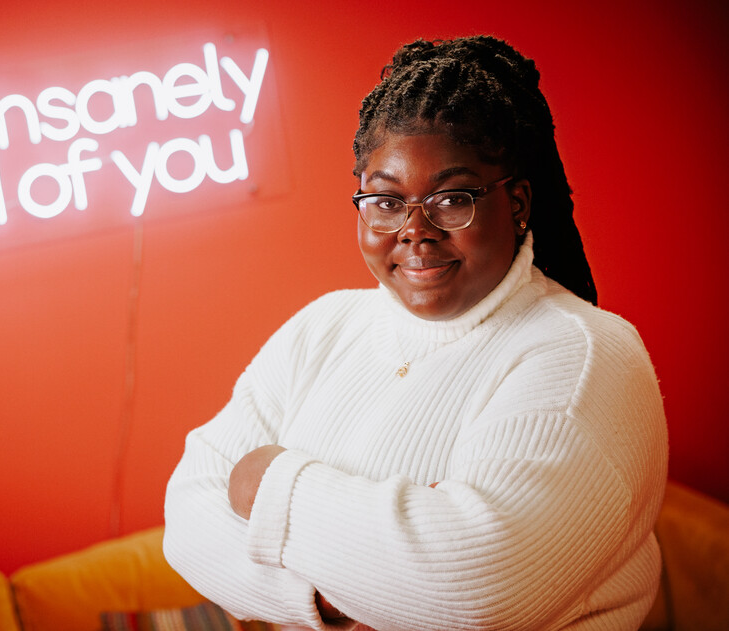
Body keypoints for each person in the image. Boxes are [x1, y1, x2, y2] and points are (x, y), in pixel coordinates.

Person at [163, 35, 668, 631]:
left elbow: (475, 585)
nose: (415, 230)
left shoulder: (585, 354)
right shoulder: (324, 327)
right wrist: (340, 596)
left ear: (519, 203)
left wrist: (268, 481)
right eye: (386, 200)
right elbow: (188, 517)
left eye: (452, 198)